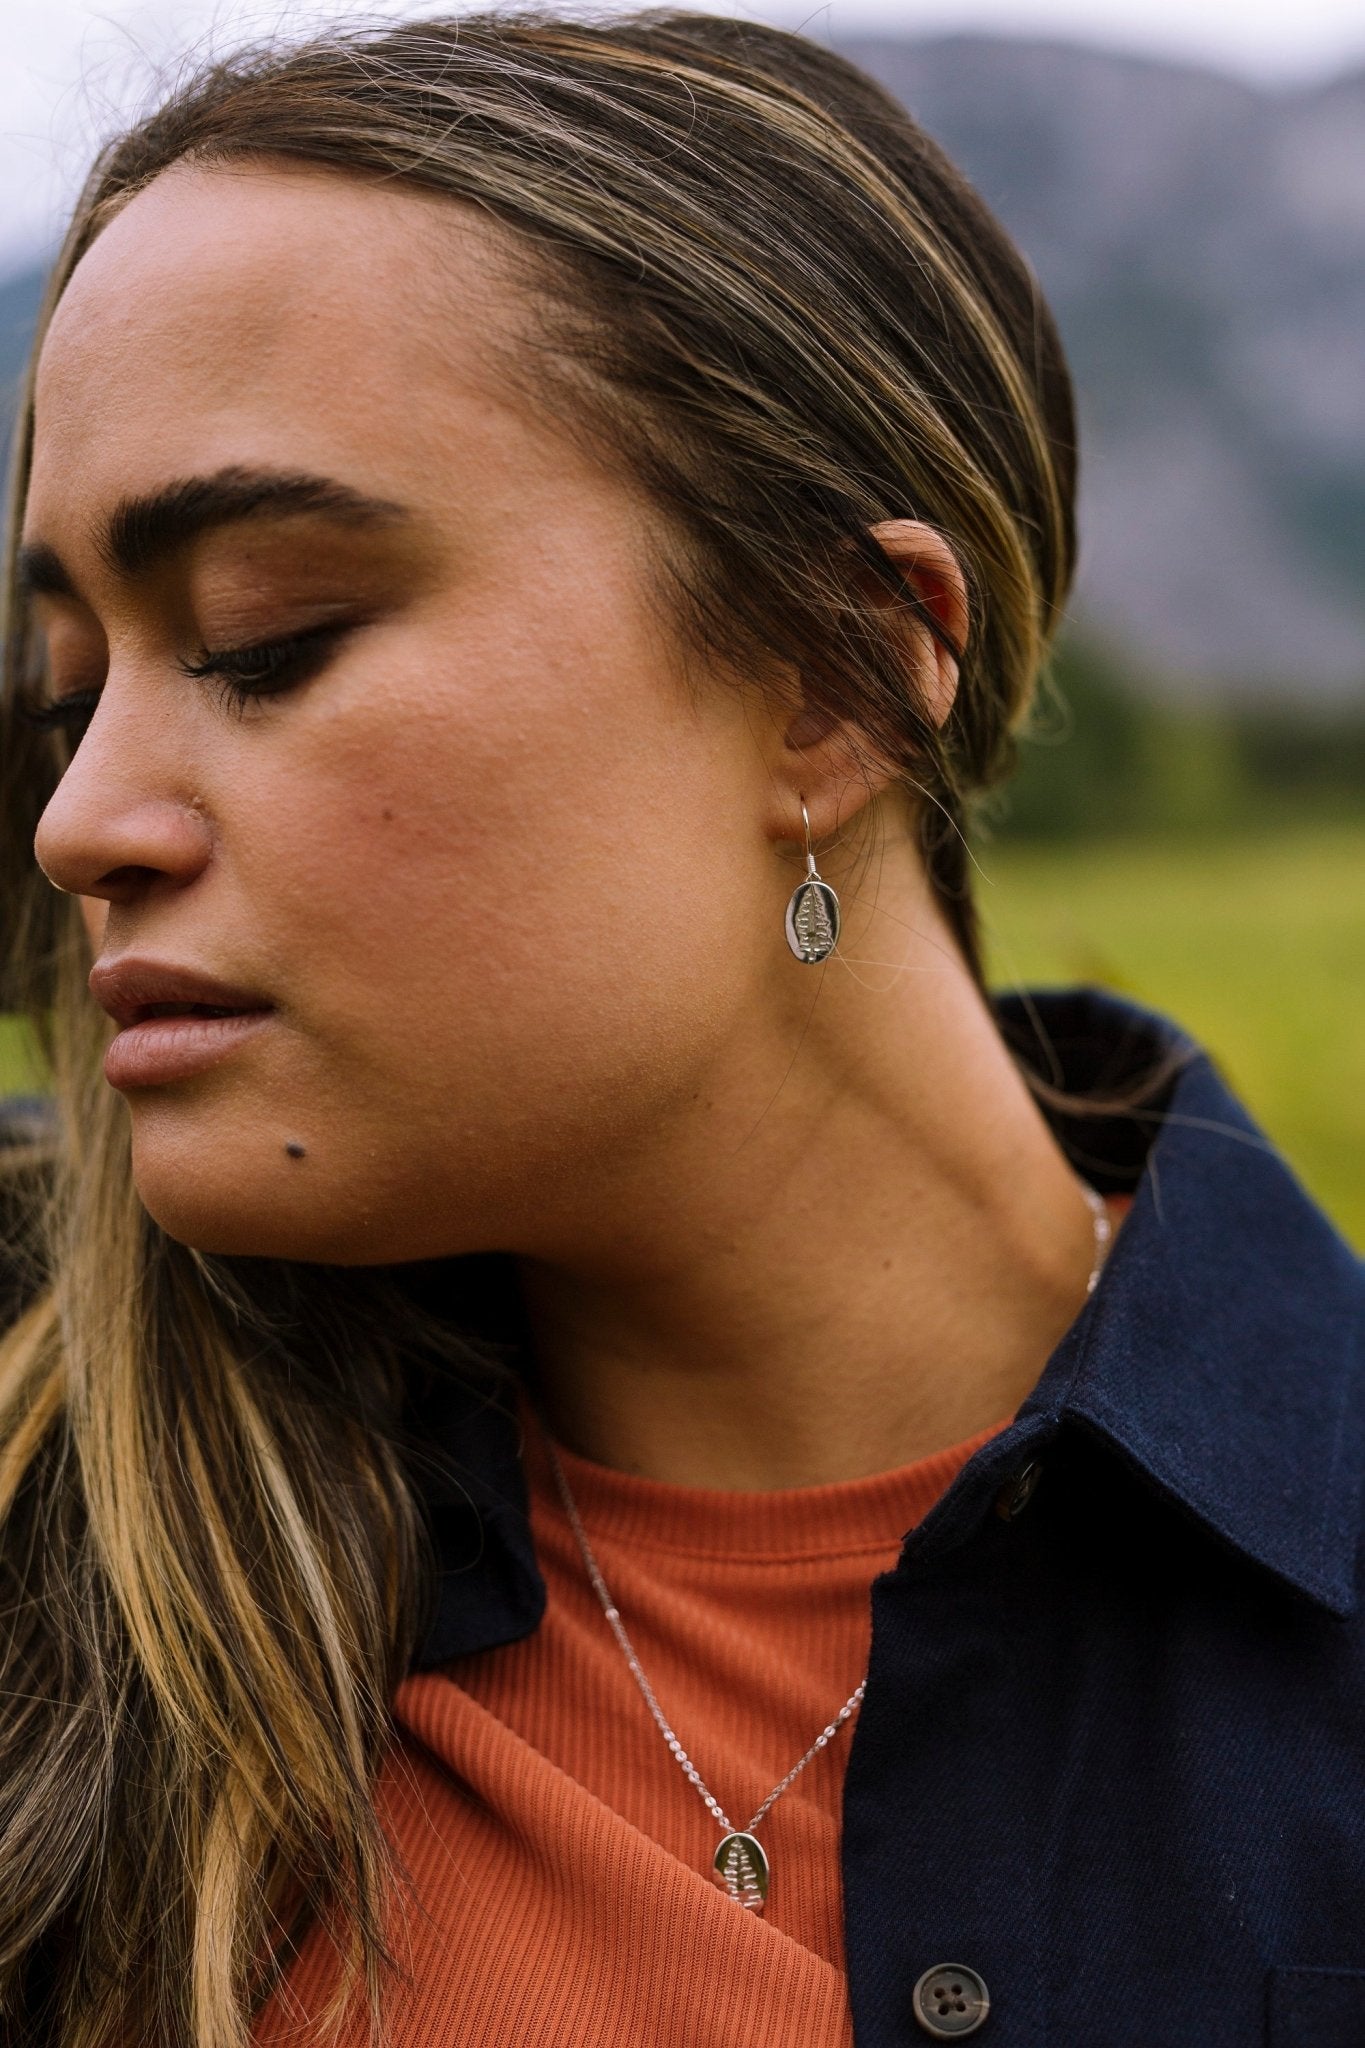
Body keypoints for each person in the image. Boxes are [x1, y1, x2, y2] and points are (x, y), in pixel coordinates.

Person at [0, 12, 1361, 2046]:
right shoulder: (62, 1507)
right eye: (62, 691)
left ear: (834, 677)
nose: (82, 820)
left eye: (269, 641)